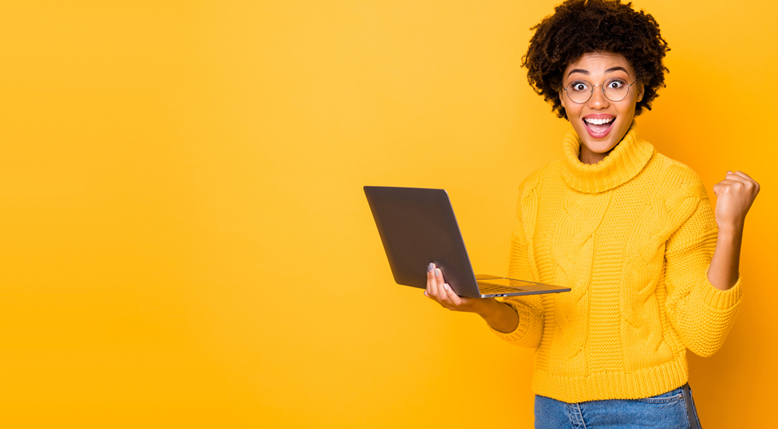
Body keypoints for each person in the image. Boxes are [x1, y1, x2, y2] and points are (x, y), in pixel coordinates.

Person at [423, 0, 760, 427]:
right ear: (559, 95)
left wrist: (730, 228)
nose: (597, 103)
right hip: (554, 409)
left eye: (615, 84)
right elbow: (531, 326)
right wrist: (478, 304)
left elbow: (703, 335)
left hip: (649, 410)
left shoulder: (675, 187)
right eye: (579, 86)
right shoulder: (536, 192)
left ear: (640, 88)